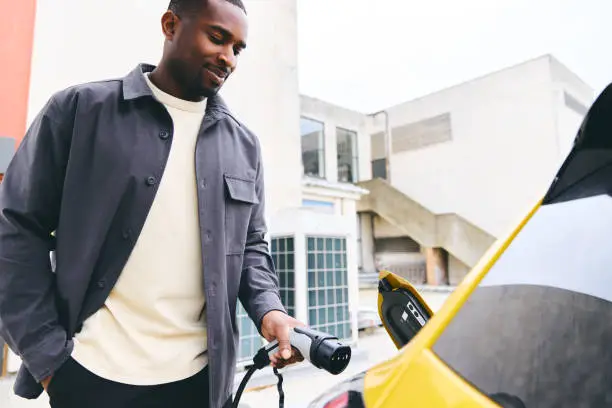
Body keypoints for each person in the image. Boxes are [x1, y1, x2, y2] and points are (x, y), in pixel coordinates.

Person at [0, 0, 304, 407]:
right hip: (89, 376)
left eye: (237, 49)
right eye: (217, 37)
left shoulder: (243, 147)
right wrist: (49, 358)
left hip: (200, 384)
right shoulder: (79, 111)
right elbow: (16, 228)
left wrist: (270, 311)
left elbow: (250, 247)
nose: (228, 58)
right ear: (170, 24)